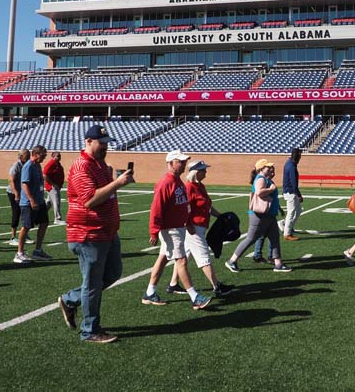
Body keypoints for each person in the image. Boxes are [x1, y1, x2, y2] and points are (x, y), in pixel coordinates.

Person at [58, 125, 133, 343]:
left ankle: (70, 300)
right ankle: (89, 330)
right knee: (92, 284)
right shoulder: (82, 166)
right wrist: (118, 183)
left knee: (113, 273)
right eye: (102, 143)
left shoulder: (100, 165)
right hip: (88, 234)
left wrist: (115, 181)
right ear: (88, 141)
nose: (105, 147)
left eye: (107, 143)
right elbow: (89, 199)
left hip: (106, 231)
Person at [142, 150, 213, 309]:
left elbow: (183, 206)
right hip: (170, 229)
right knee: (181, 260)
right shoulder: (165, 182)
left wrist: (187, 222)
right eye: (180, 162)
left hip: (178, 227)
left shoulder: (178, 181)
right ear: (171, 163)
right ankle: (195, 297)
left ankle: (149, 292)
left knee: (163, 259)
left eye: (184, 161)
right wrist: (154, 230)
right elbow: (156, 208)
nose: (183, 164)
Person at [166, 161, 233, 298]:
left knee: (184, 255)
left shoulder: (200, 186)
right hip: (193, 227)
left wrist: (220, 216)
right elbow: (183, 208)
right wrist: (187, 224)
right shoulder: (189, 187)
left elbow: (207, 206)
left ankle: (173, 284)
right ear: (196, 172)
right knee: (204, 256)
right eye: (203, 170)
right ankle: (217, 286)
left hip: (200, 226)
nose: (206, 172)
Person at [226, 160, 292, 274]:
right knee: (251, 238)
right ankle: (232, 261)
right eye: (268, 167)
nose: (271, 169)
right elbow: (259, 192)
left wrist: (278, 208)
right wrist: (271, 189)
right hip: (260, 215)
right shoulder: (261, 179)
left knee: (275, 238)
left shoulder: (267, 179)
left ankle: (278, 264)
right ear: (261, 168)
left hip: (269, 215)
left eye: (271, 167)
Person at [14, 145, 53, 264]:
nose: (44, 158)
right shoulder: (28, 166)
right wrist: (31, 200)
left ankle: (38, 250)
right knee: (26, 226)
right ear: (35, 154)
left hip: (39, 201)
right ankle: (19, 253)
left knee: (44, 223)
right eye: (43, 155)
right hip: (29, 203)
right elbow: (24, 184)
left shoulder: (37, 165)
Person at [7, 149, 30, 245]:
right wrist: (16, 193)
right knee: (16, 213)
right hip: (13, 192)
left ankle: (24, 235)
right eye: (27, 155)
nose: (28, 157)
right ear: (21, 157)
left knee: (25, 213)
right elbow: (11, 180)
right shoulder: (17, 165)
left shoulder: (27, 164)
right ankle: (13, 237)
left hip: (22, 192)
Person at [282, 147, 304, 240]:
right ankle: (287, 233)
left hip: (290, 191)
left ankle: (285, 225)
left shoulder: (289, 163)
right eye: (299, 156)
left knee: (298, 211)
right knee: (291, 212)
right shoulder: (291, 166)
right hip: (291, 192)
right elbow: (294, 183)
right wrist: (299, 195)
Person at [43, 151, 66, 225]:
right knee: (56, 202)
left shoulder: (57, 164)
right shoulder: (51, 163)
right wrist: (52, 184)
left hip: (55, 186)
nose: (59, 157)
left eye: (60, 156)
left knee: (49, 203)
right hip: (52, 187)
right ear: (53, 156)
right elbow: (44, 175)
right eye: (58, 156)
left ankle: (39, 215)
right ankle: (57, 219)